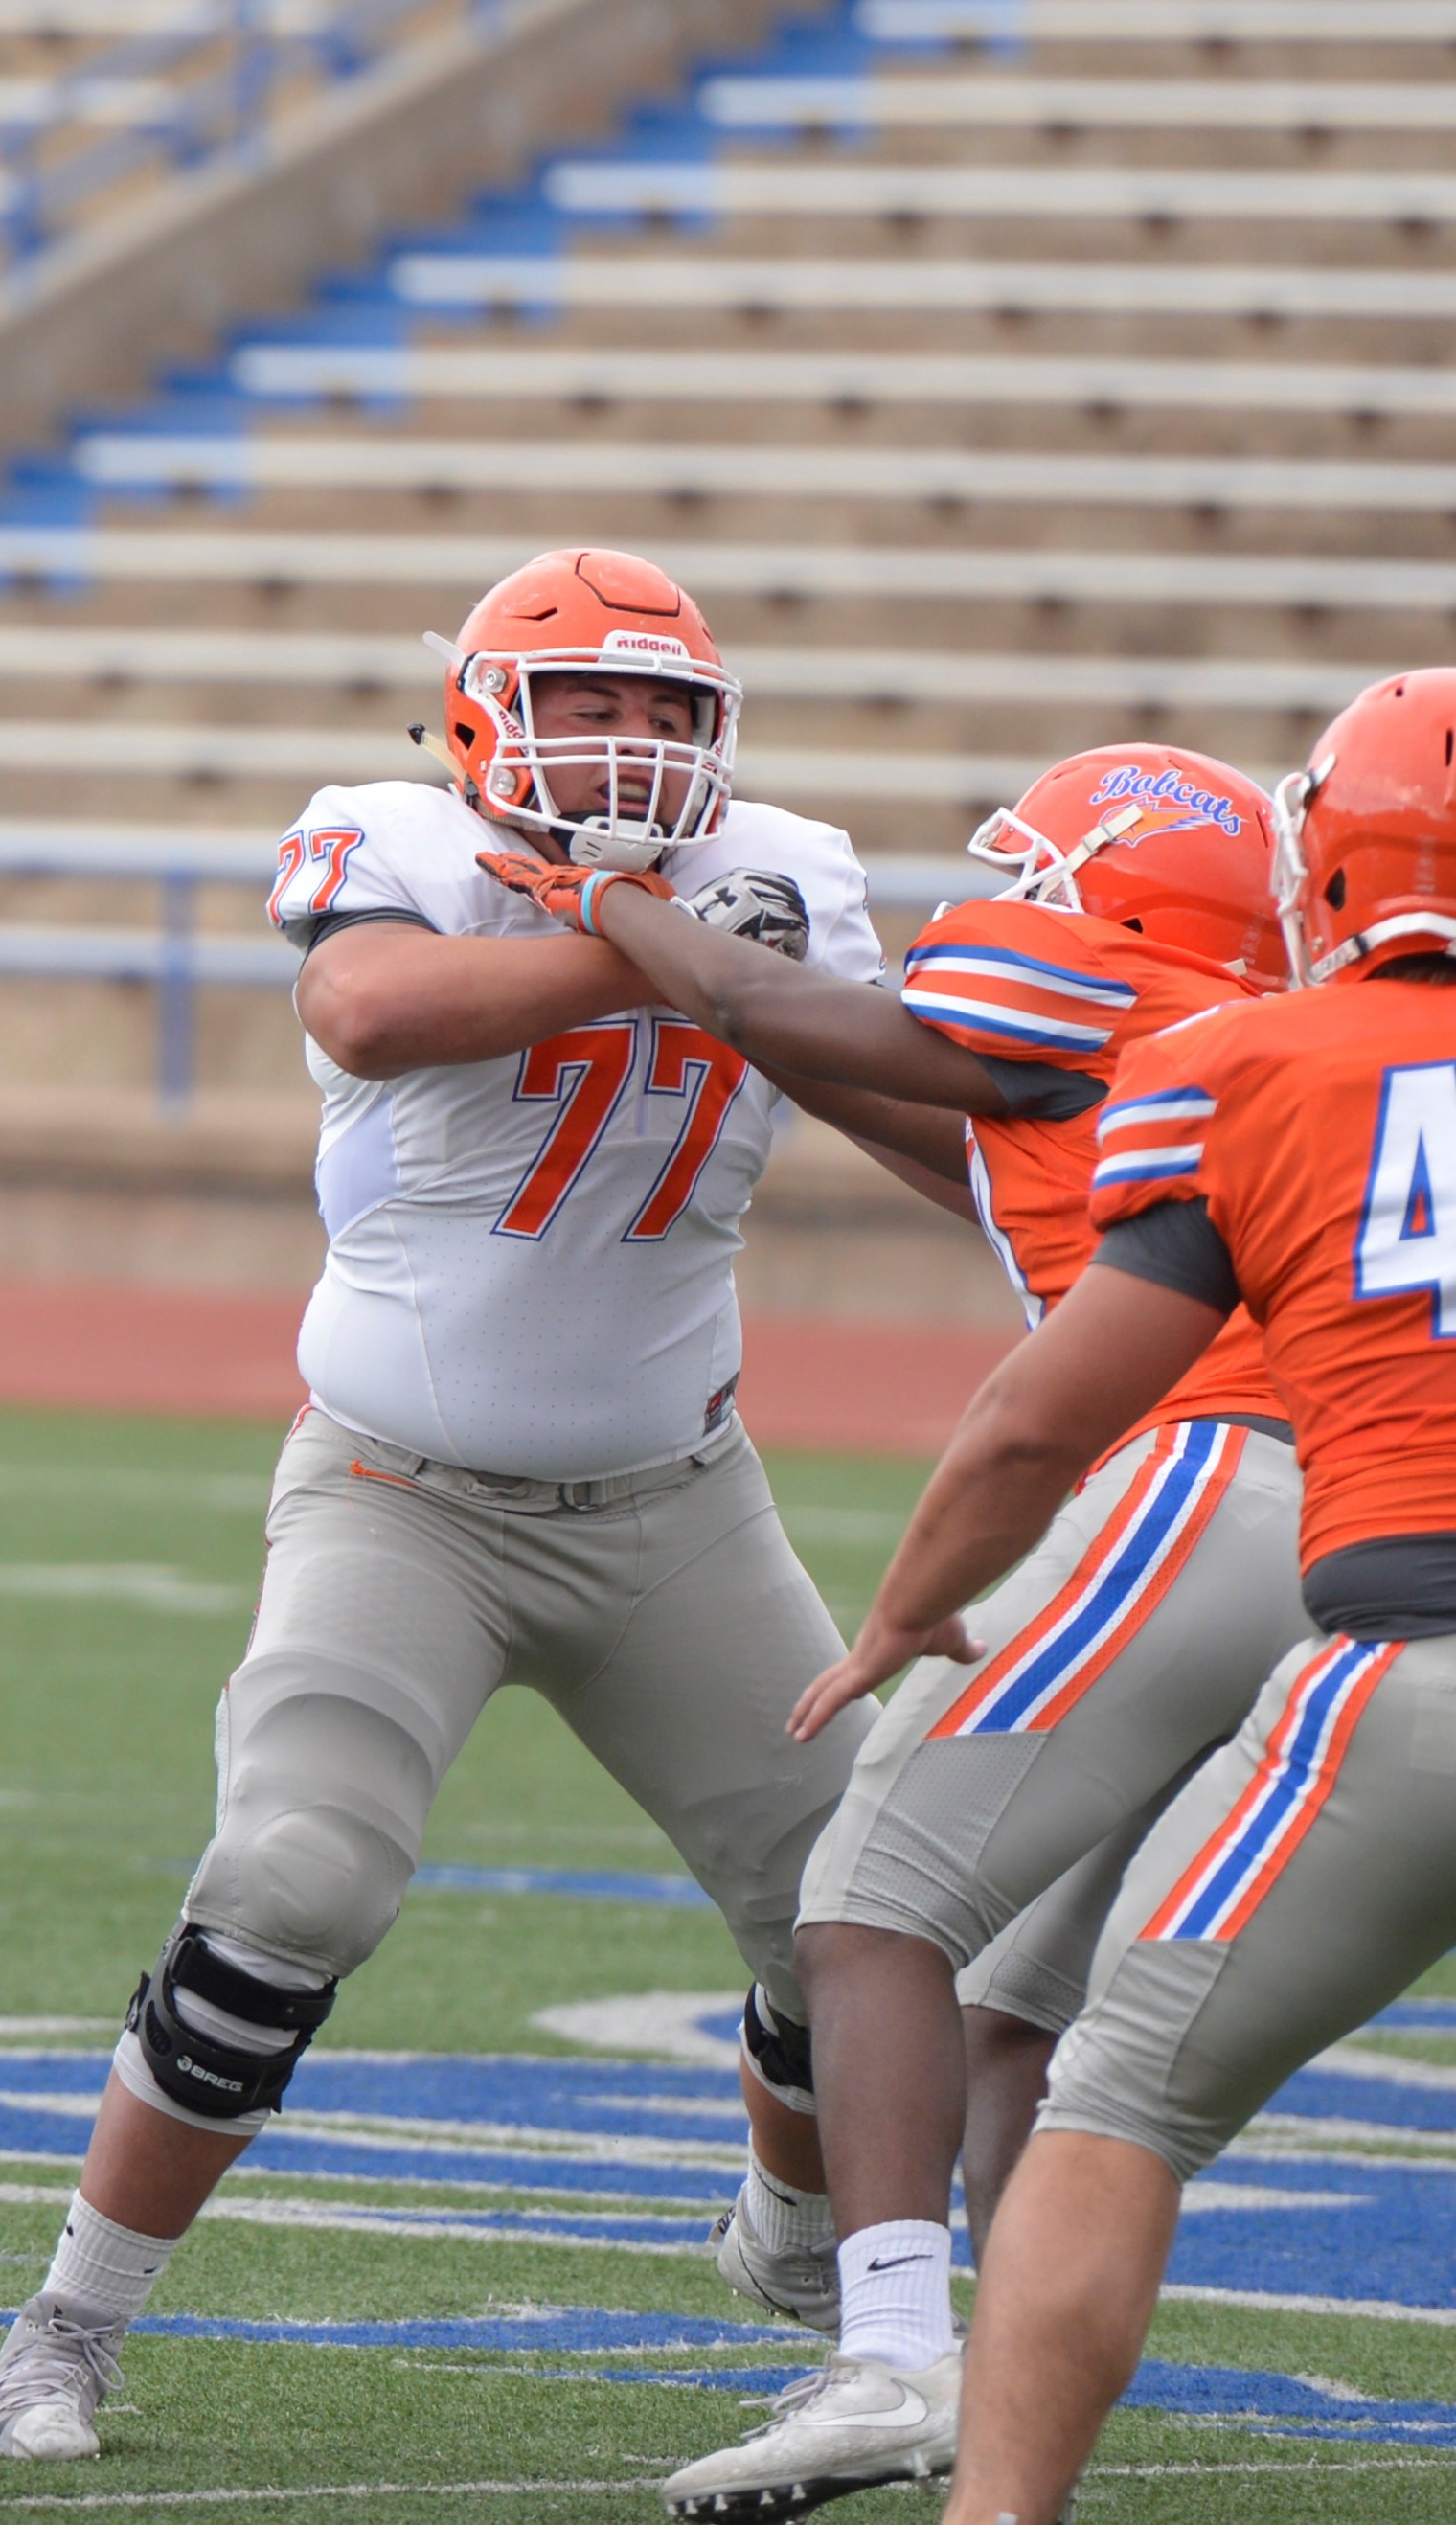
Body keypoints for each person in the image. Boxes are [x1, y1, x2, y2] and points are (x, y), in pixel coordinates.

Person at [0, 550, 882, 2463]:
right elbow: (370, 1008)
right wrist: (670, 948)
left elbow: (912, 1107)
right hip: (401, 1494)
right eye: (584, 704)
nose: (626, 743)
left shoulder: (797, 867)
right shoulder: (394, 837)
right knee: (290, 1883)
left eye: (662, 709)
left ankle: (799, 2248)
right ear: (480, 718)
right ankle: (68, 2320)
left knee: (856, 1913)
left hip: (677, 1504)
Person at [525, 749, 1309, 2518]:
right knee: (1009, 2006)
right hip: (1334, 1530)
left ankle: (884, 2351)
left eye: (1041, 873)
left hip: (1200, 1483)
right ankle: (1018, 2410)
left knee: (863, 1907)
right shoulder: (1218, 1037)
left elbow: (775, 1006)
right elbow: (947, 1130)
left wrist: (608, 895)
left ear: (1111, 895)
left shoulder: (1087, 986)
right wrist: (728, 1005)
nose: (1012, 897)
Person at [796, 672, 1456, 2523]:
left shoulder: (1247, 1060)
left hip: (1406, 1665)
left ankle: (979, 2480)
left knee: (1115, 2104)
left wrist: (905, 1607)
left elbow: (1033, 1419)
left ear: (1329, 859)